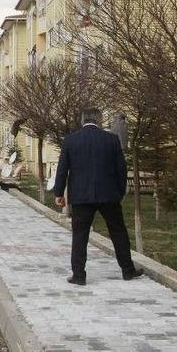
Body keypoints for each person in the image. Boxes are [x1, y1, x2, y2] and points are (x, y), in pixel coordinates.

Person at [53, 108, 143, 286]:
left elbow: (62, 169)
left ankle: (79, 275)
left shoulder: (71, 140)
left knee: (80, 235)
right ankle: (127, 270)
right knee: (118, 232)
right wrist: (120, 192)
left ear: (82, 120)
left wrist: (58, 193)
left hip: (80, 197)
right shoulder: (111, 140)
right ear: (100, 121)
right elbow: (121, 169)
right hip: (109, 195)